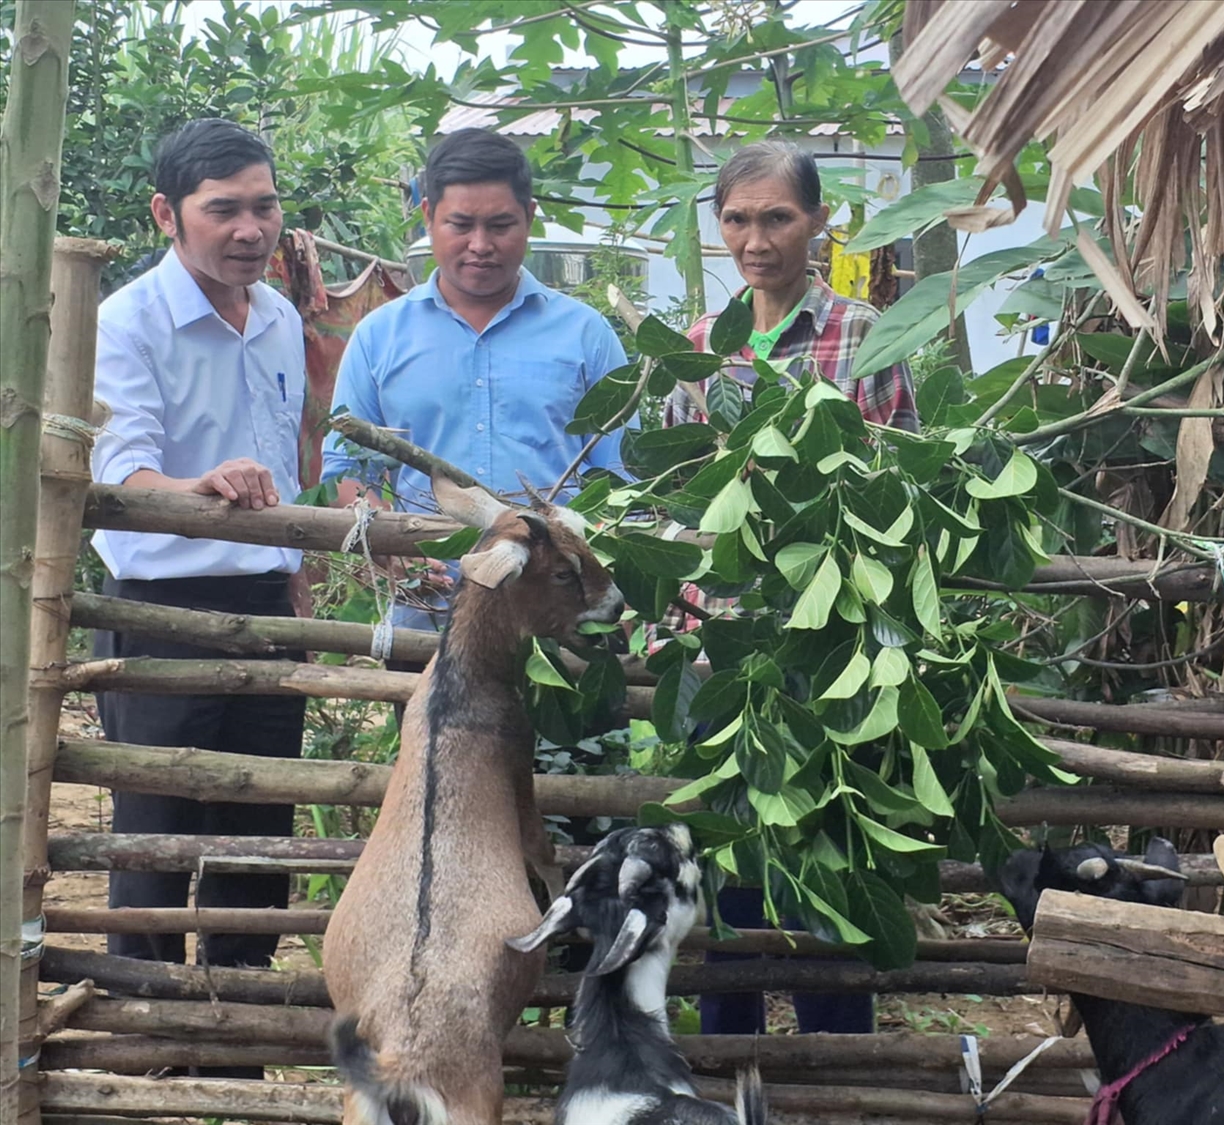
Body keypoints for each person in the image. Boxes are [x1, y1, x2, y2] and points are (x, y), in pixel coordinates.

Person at [662, 140, 919, 1037]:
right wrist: (673, 623)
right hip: (722, 645)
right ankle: (726, 1057)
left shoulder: (865, 335)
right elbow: (676, 504)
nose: (755, 239)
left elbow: (900, 492)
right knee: (726, 859)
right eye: (736, 218)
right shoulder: (698, 347)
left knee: (832, 850)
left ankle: (840, 1060)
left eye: (776, 217)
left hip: (832, 643)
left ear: (816, 222)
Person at [90, 118, 309, 1076]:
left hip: (266, 600)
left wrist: (297, 586)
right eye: (223, 209)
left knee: (258, 823)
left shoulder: (282, 318)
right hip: (157, 601)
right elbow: (118, 467)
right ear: (167, 214)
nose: (249, 228)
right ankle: (148, 1033)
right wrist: (201, 487)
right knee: (155, 826)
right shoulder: (126, 320)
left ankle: (240, 1033)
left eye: (262, 205)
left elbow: (287, 474)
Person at [319, 127, 631, 634]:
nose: (480, 245)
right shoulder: (379, 336)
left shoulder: (586, 335)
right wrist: (393, 553)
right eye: (460, 224)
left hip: (563, 613)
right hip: (430, 606)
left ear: (529, 217)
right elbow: (347, 470)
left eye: (501, 225)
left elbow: (620, 474)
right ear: (428, 218)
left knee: (576, 716)